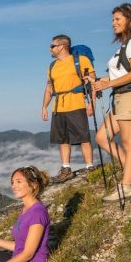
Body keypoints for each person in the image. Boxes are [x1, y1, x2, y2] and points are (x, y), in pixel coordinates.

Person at [90, 3, 131, 202]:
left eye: (118, 19)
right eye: (113, 20)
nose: (113, 23)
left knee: (129, 143)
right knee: (101, 138)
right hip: (121, 96)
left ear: (130, 20)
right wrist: (100, 82)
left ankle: (126, 187)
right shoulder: (123, 46)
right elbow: (119, 73)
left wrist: (108, 85)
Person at [41, 34, 96, 184]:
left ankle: (90, 167)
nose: (50, 49)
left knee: (84, 137)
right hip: (58, 106)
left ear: (62, 47)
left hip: (77, 104)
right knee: (63, 139)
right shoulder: (52, 66)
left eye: (52, 46)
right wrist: (44, 106)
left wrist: (92, 104)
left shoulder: (81, 61)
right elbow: (49, 88)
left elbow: (93, 84)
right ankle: (66, 169)